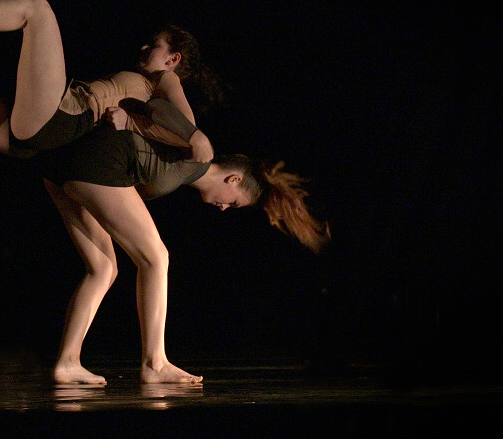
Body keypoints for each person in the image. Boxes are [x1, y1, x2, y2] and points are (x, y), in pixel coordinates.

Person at [0, 0, 223, 249]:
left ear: (172, 59)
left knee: (37, 8)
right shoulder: (148, 86)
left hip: (60, 117)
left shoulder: (166, 78)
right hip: (29, 135)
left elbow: (185, 126)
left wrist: (195, 137)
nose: (144, 47)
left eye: (154, 45)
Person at [35, 120, 330, 384]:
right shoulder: (196, 154)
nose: (224, 208)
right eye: (234, 203)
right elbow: (160, 107)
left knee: (103, 269)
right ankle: (155, 363)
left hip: (65, 167)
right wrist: (189, 133)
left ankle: (67, 363)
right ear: (234, 179)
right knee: (156, 258)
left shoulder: (184, 171)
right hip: (96, 164)